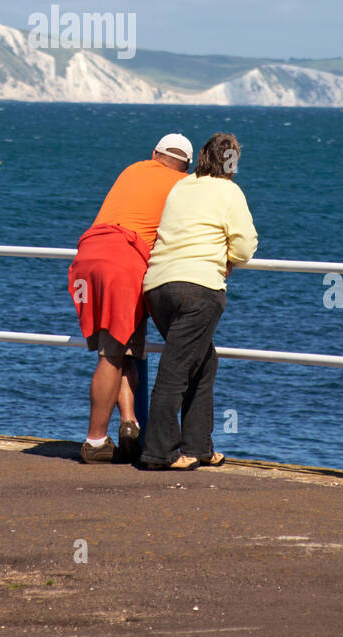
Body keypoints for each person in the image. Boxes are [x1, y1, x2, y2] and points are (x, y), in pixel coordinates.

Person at [68, 134, 194, 464]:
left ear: (154, 154)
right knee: (111, 355)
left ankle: (129, 424)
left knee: (122, 349)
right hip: (125, 262)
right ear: (186, 165)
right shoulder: (184, 185)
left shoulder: (133, 168)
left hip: (88, 254)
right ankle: (95, 442)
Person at [139, 132, 258, 471]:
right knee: (176, 370)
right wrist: (229, 257)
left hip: (158, 287)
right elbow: (245, 248)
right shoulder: (229, 191)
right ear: (232, 163)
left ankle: (199, 446)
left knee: (203, 362)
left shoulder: (182, 187)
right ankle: (160, 452)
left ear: (203, 157)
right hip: (199, 290)